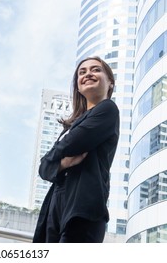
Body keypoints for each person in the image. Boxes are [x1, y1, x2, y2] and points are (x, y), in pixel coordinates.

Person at [33, 56, 120, 243]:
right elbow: (43, 169)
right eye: (82, 72)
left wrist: (54, 160)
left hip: (83, 209)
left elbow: (72, 143)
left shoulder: (107, 109)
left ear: (110, 83)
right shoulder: (71, 126)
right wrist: (62, 163)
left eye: (96, 70)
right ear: (78, 87)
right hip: (55, 208)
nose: (88, 73)